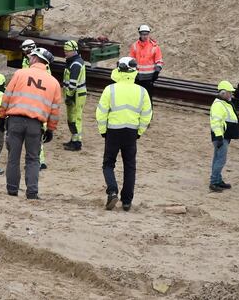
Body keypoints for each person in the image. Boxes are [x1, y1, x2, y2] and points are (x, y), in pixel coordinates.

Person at [0, 47, 61, 200]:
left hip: (15, 121)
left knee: (13, 157)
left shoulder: (20, 73)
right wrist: (51, 129)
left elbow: (6, 97)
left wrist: (1, 117)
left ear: (34, 58)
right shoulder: (53, 83)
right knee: (33, 159)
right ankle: (32, 192)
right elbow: (55, 110)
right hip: (35, 125)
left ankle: (12, 190)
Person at [96, 57, 152, 211]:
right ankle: (127, 201)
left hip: (113, 131)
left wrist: (103, 131)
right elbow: (147, 114)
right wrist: (139, 132)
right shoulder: (142, 91)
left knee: (108, 164)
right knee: (130, 166)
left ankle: (112, 191)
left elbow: (100, 113)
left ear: (119, 69)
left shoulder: (110, 89)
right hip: (131, 132)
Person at [20, 39, 52, 168]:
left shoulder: (42, 65)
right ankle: (39, 160)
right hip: (32, 102)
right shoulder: (27, 61)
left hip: (38, 103)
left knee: (37, 132)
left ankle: (39, 161)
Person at [209, 81, 238, 192]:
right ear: (223, 93)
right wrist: (219, 137)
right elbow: (215, 123)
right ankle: (214, 182)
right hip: (220, 136)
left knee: (218, 158)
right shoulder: (218, 105)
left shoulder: (224, 103)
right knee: (220, 159)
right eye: (229, 93)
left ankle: (218, 179)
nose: (231, 95)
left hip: (224, 135)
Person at [62, 40, 87, 151]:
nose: (66, 53)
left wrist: (69, 96)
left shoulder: (75, 64)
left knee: (76, 118)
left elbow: (73, 83)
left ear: (74, 51)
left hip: (76, 95)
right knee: (71, 118)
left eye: (68, 51)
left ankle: (77, 142)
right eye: (65, 50)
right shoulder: (73, 61)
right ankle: (74, 139)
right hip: (74, 94)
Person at [128, 24, 163, 99]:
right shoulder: (134, 46)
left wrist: (156, 73)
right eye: (143, 34)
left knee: (147, 99)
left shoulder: (155, 47)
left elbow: (159, 61)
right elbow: (131, 61)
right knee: (136, 98)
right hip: (137, 77)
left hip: (149, 78)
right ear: (140, 34)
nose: (145, 36)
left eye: (146, 34)